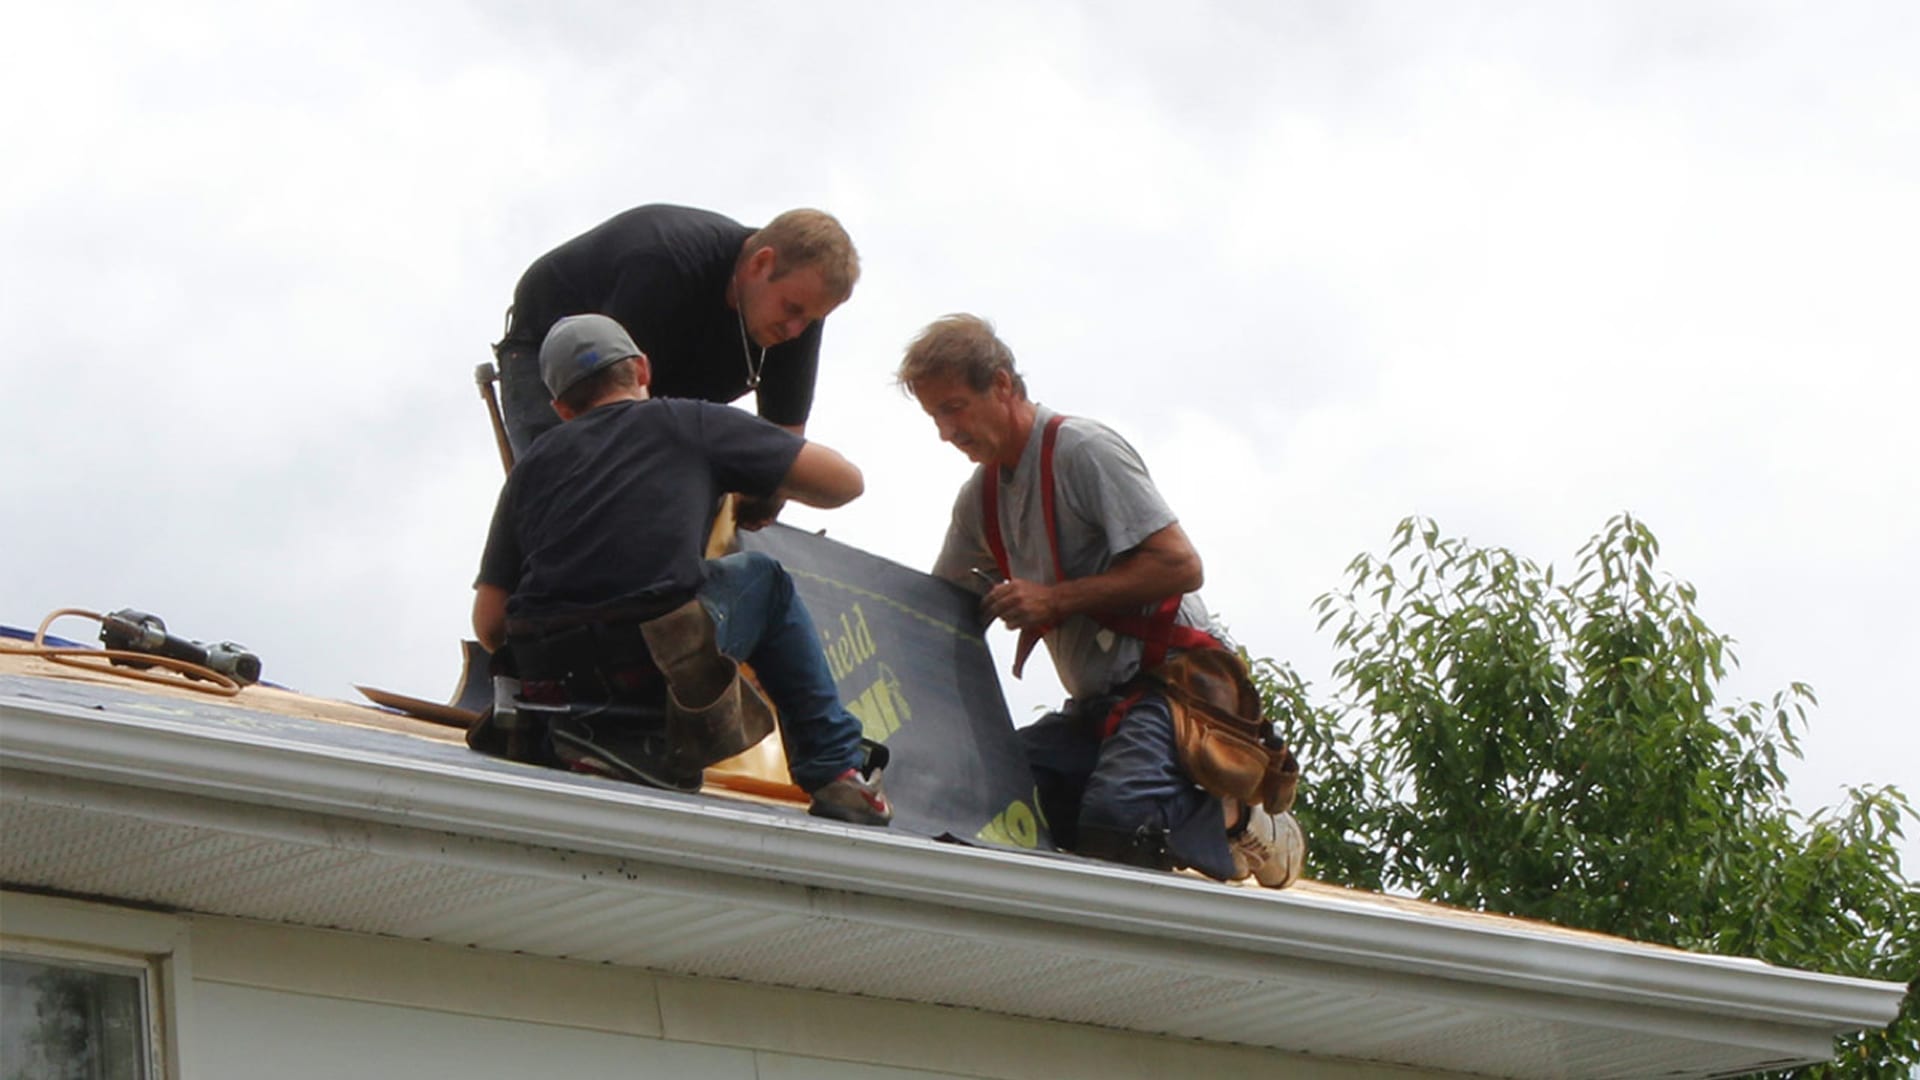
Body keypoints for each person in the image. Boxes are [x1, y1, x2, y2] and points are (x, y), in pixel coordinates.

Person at [896, 314, 1299, 885]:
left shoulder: (1081, 452)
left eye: (955, 407)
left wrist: (1055, 600)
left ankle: (1236, 817)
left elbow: (1182, 565)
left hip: (1176, 688)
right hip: (1099, 705)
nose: (945, 431)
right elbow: (940, 617)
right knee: (993, 798)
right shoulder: (980, 500)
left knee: (1118, 819)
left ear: (1004, 386)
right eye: (935, 416)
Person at [473, 314, 890, 826]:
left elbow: (489, 623)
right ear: (642, 370)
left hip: (553, 690)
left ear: (561, 408)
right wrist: (757, 478)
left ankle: (599, 736)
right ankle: (837, 773)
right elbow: (844, 484)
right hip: (653, 663)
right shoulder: (687, 422)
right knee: (765, 580)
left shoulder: (531, 468)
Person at [494, 204, 859, 528]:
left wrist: (763, 495)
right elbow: (613, 429)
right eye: (792, 310)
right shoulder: (665, 264)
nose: (796, 331)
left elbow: (784, 440)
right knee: (575, 485)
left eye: (812, 319)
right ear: (760, 264)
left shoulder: (797, 313)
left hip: (661, 382)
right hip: (567, 360)